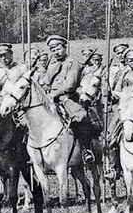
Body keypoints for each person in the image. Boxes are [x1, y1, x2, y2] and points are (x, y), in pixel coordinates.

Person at [39, 35, 97, 163]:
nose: (56, 52)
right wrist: (44, 89)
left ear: (65, 47)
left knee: (81, 117)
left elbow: (70, 85)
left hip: (67, 98)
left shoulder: (73, 63)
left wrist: (54, 94)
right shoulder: (52, 64)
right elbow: (45, 81)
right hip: (49, 98)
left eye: (58, 49)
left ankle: (85, 150)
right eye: (53, 50)